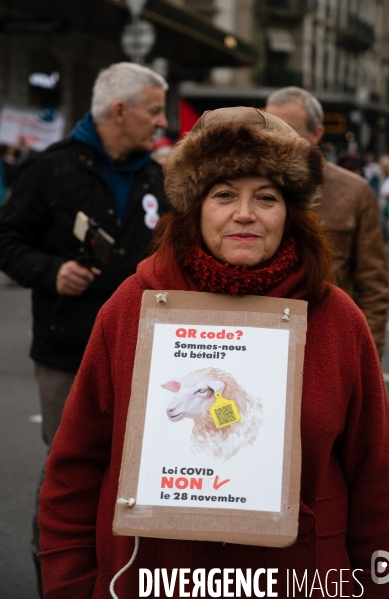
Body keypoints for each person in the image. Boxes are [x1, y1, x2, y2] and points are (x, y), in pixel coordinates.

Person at [38, 107, 389, 598]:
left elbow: (379, 482)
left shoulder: (338, 320)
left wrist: (378, 584)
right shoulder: (131, 307)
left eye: (266, 198)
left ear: (291, 213)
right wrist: (73, 585)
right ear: (195, 208)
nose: (245, 213)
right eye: (224, 194)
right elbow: (74, 468)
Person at [0, 61, 169, 591]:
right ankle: (55, 574)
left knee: (136, 471)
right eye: (155, 110)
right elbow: (7, 240)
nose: (162, 123)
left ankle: (121, 574)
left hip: (148, 352)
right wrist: (50, 271)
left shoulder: (158, 176)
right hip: (67, 352)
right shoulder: (51, 168)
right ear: (119, 111)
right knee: (70, 474)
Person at [264, 87, 389, 357]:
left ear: (317, 133)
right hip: (265, 336)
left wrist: (368, 357)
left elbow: (374, 287)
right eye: (270, 126)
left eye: (289, 128)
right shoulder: (254, 186)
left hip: (326, 339)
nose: (276, 137)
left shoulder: (354, 191)